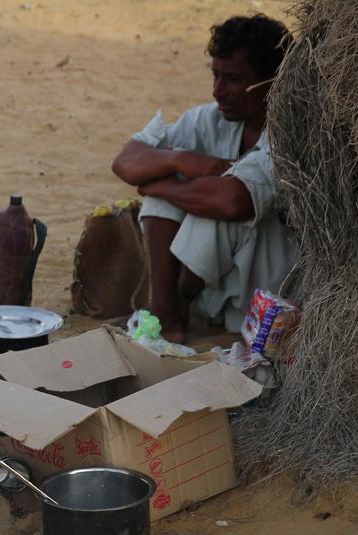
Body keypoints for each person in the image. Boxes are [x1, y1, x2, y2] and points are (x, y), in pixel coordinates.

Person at [111, 14, 295, 342]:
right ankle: (167, 314)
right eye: (215, 75)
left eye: (233, 79)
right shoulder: (211, 120)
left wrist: (165, 184)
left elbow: (232, 201)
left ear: (272, 82)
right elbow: (126, 162)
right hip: (213, 285)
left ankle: (179, 303)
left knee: (205, 199)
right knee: (170, 189)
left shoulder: (290, 137)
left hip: (262, 287)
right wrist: (183, 159)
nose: (218, 91)